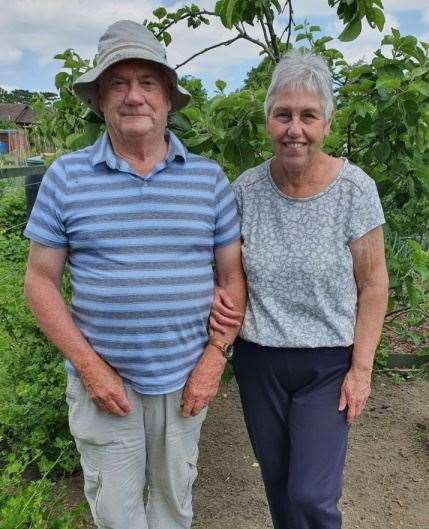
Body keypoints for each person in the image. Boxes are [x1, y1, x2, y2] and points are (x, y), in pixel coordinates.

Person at [24, 20, 246, 529]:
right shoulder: (67, 177)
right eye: (118, 83)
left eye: (148, 83)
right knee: (116, 515)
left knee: (174, 505)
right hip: (104, 384)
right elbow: (39, 281)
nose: (134, 96)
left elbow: (232, 278)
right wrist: (90, 368)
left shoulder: (208, 179)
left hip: (185, 380)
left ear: (168, 99)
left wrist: (214, 359)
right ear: (100, 100)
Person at [211, 49, 389, 529]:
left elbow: (374, 285)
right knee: (280, 488)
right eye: (283, 114)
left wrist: (361, 370)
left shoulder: (354, 189)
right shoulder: (245, 190)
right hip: (259, 361)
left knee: (311, 495)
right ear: (267, 121)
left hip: (328, 365)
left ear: (326, 123)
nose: (295, 128)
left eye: (308, 115)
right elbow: (227, 271)